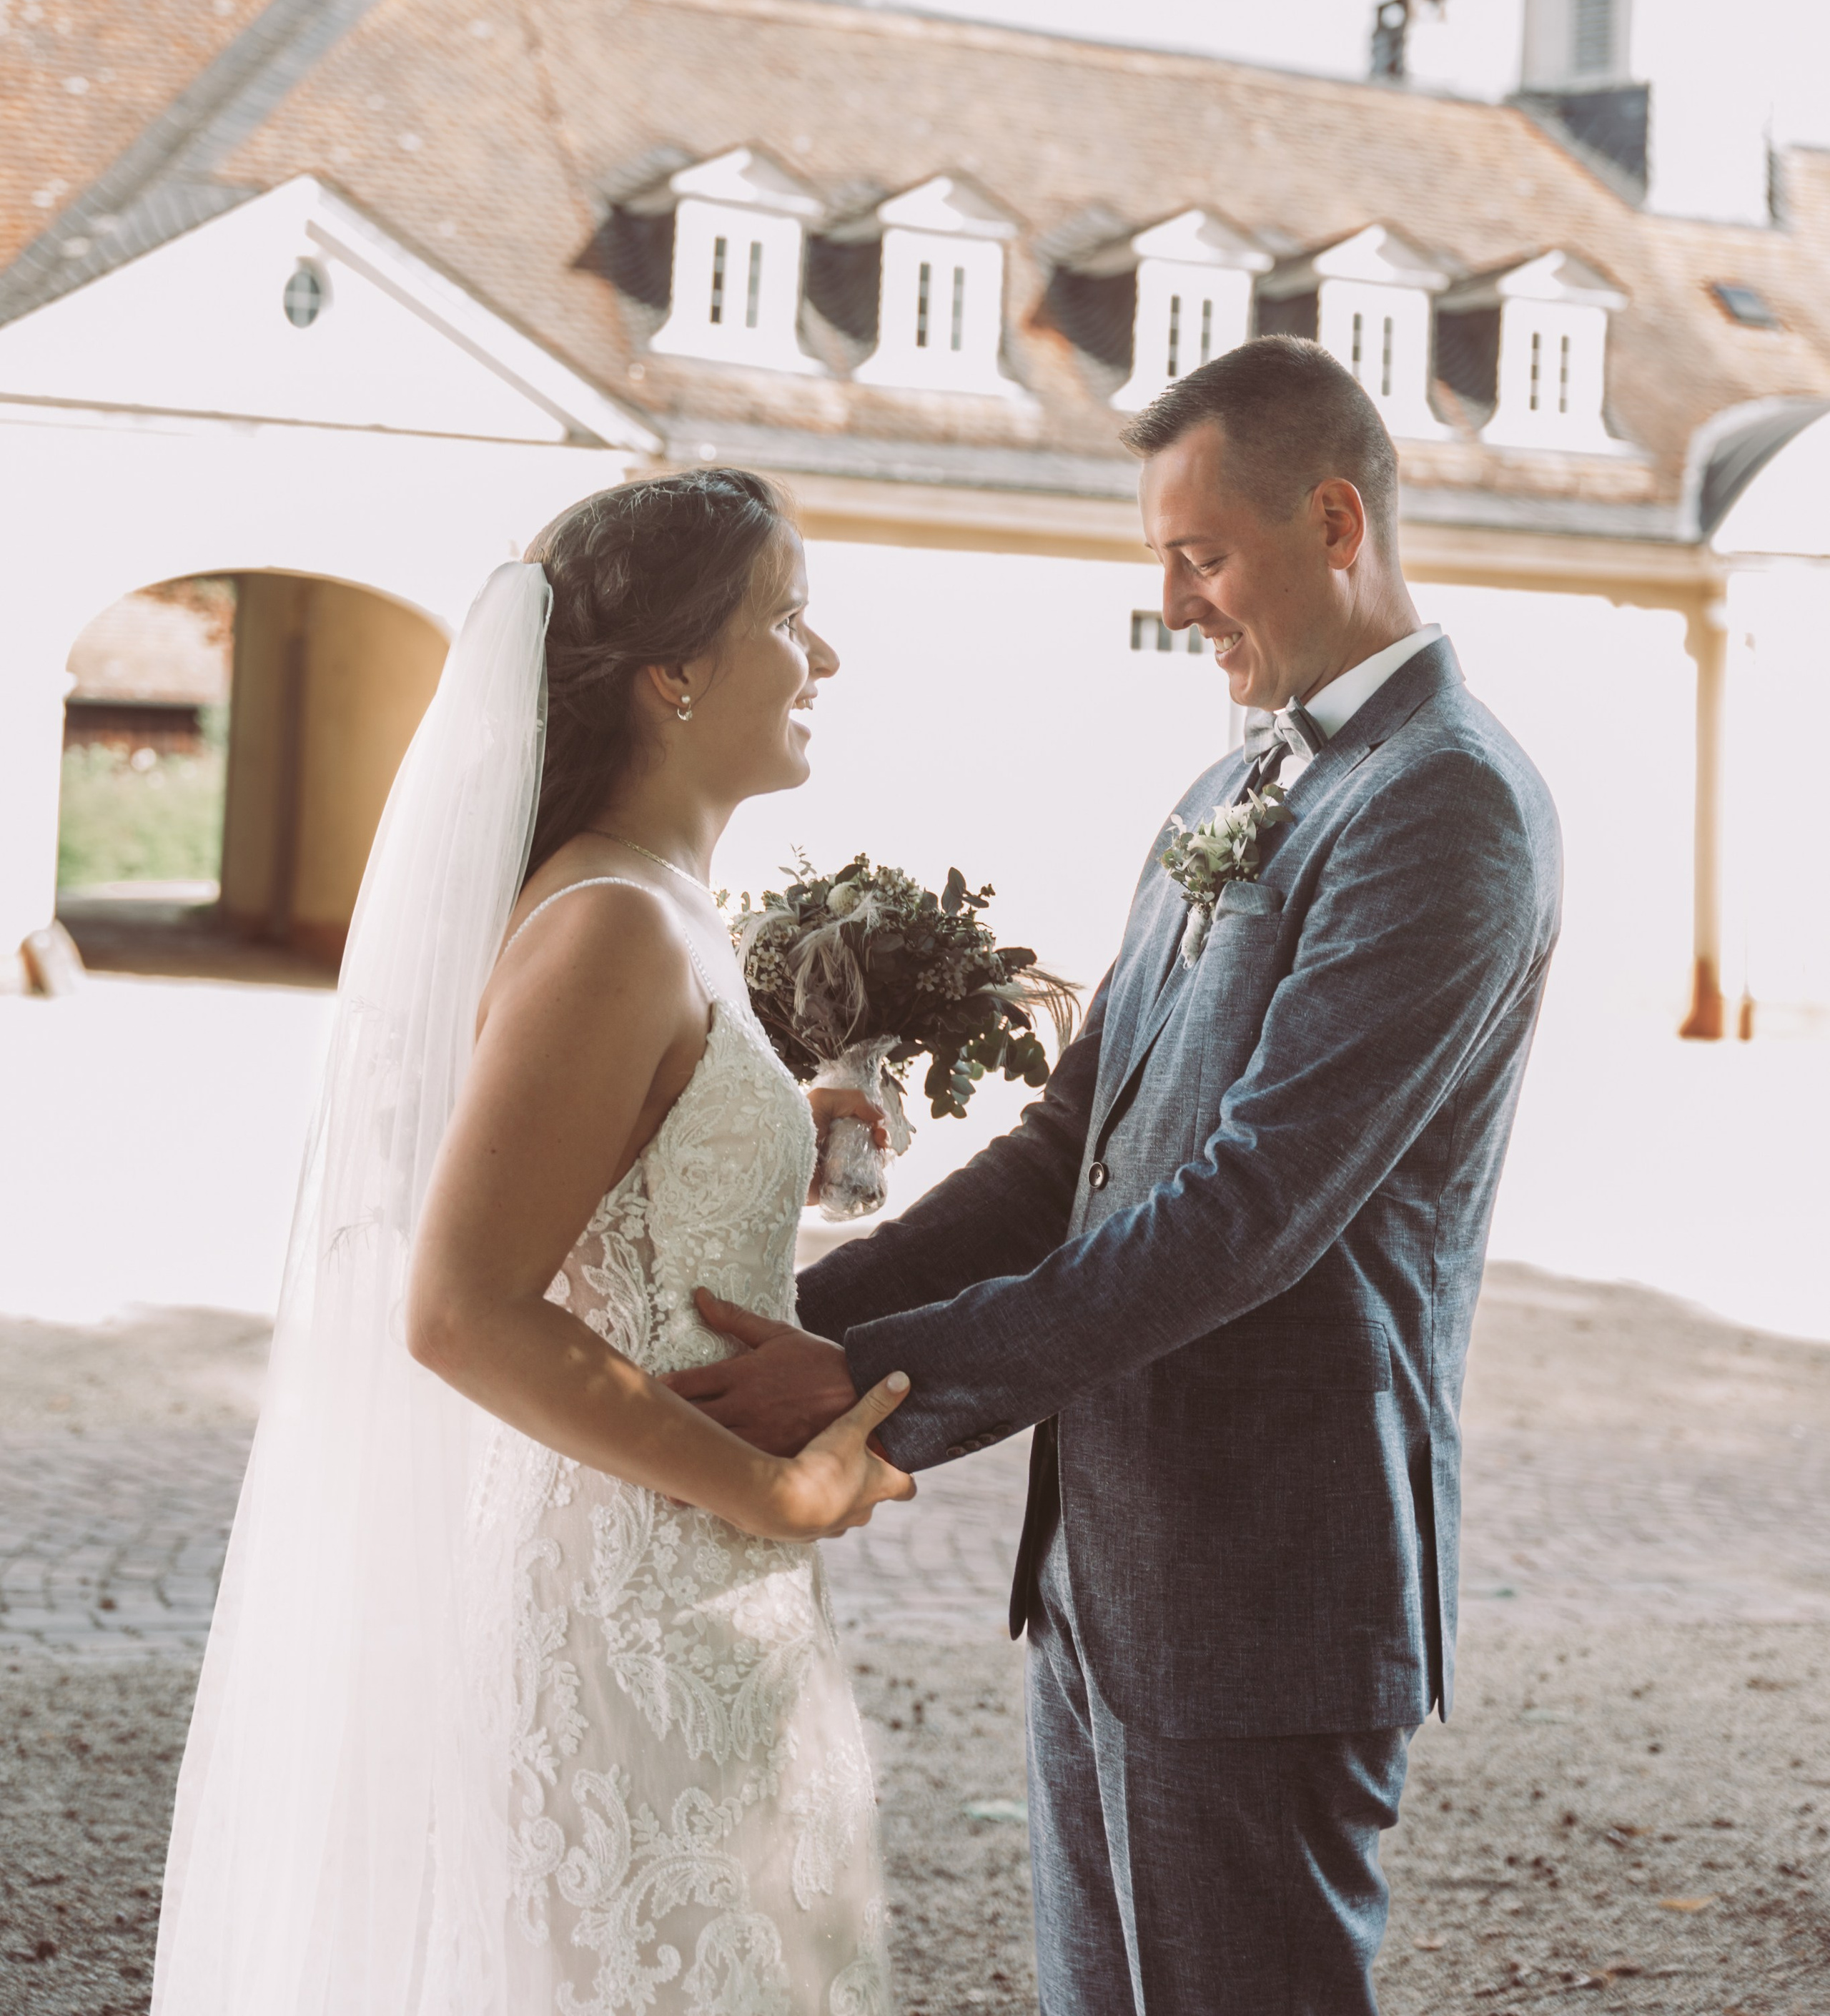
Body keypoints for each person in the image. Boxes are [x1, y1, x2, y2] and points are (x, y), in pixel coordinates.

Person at [666, 339, 1564, 2016]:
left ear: (1334, 519)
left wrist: (861, 1386)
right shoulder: (1228, 783)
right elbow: (1056, 1155)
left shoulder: (1445, 804)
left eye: (1200, 554)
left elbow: (1245, 1215)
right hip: (1109, 1551)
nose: (1171, 601)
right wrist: (782, 1317)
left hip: (1269, 1569)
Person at [153, 470, 908, 2016]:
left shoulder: (664, 907)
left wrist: (796, 1128)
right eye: (790, 619)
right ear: (672, 672)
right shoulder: (610, 924)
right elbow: (461, 1307)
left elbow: (634, 1218)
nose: (824, 658)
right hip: (623, 1597)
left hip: (695, 1586)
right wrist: (771, 1489)